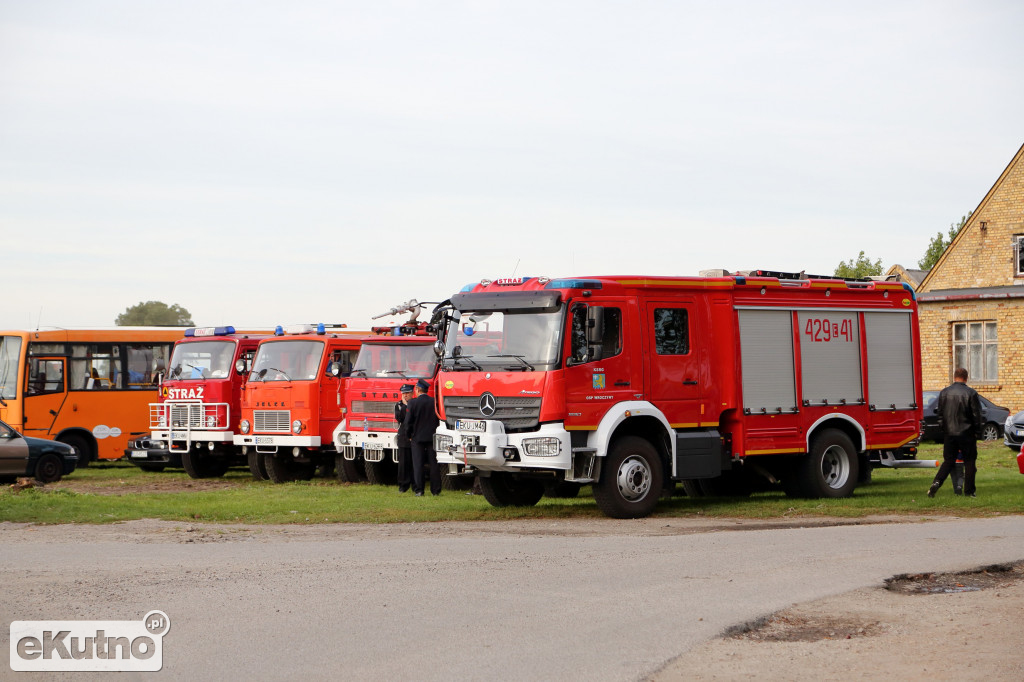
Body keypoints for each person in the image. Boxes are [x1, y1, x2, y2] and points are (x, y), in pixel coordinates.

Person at [928, 368, 982, 498]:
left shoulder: (944, 392)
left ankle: (937, 482)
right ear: (966, 378)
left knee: (948, 461)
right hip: (967, 433)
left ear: (954, 377)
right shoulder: (971, 393)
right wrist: (977, 432)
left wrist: (944, 429)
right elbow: (976, 415)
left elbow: (939, 414)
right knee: (969, 462)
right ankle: (969, 492)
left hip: (950, 433)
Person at [404, 378, 441, 496]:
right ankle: (435, 490)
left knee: (418, 464)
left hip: (417, 438)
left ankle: (419, 490)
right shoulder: (434, 402)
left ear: (418, 389)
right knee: (434, 465)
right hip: (432, 437)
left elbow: (408, 422)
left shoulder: (412, 403)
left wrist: (409, 435)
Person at [394, 384, 414, 493]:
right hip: (403, 437)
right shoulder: (399, 405)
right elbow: (400, 418)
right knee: (403, 463)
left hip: (414, 436)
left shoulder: (415, 404)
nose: (405, 395)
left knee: (414, 462)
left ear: (412, 393)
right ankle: (403, 486)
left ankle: (415, 485)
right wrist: (406, 406)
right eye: (403, 393)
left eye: (407, 393)